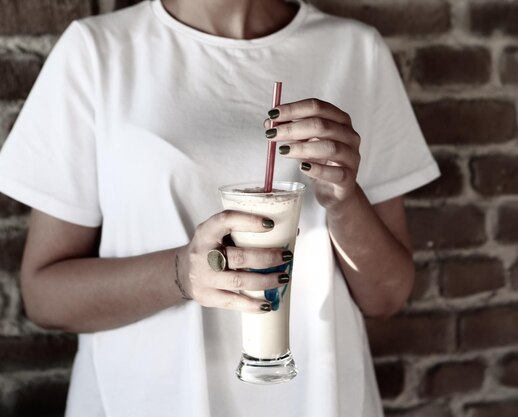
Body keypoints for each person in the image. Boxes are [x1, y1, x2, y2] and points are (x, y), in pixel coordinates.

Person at [0, 0, 439, 415]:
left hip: (317, 397)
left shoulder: (355, 50)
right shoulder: (99, 50)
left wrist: (344, 199)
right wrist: (181, 274)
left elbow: (387, 295)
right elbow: (44, 296)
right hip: (144, 398)